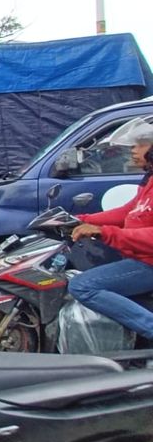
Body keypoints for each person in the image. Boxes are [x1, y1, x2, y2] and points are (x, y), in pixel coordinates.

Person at [67, 120, 153, 338]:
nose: (133, 150)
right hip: (140, 258)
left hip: (148, 263)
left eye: (139, 145)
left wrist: (103, 232)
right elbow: (129, 212)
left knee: (82, 286)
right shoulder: (150, 181)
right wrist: (79, 219)